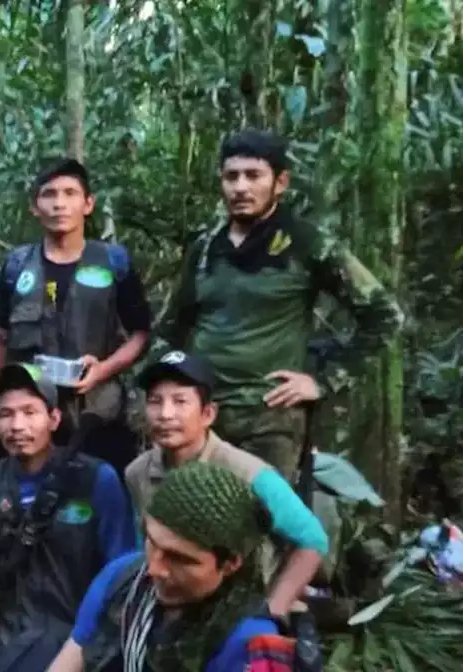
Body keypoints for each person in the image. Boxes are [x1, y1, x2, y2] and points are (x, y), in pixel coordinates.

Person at [156, 129, 403, 478]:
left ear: (280, 181)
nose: (240, 187)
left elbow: (384, 317)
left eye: (253, 175)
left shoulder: (307, 243)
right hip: (204, 416)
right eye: (231, 177)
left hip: (270, 418)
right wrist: (165, 398)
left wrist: (323, 381)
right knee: (194, 521)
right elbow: (171, 329)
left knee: (263, 523)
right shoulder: (205, 248)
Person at [0, 363, 136, 672]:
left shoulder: (97, 479)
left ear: (54, 419)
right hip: (3, 635)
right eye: (5, 414)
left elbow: (121, 571)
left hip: (75, 636)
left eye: (29, 412)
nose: (16, 425)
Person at [0, 158, 152, 475]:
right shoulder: (17, 266)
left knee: (98, 500)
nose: (59, 204)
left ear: (88, 204)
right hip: (29, 416)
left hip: (98, 414)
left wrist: (103, 369)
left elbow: (140, 334)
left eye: (70, 193)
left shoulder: (113, 262)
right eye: (49, 194)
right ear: (34, 206)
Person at [125, 350, 328, 618]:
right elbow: (146, 546)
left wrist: (274, 607)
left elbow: (313, 540)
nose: (165, 414)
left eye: (180, 401)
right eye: (155, 401)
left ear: (208, 413)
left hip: (237, 608)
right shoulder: (138, 472)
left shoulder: (247, 473)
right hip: (169, 601)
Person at [47, 462, 281, 672]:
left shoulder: (250, 642)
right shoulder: (122, 578)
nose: (153, 569)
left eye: (178, 558)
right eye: (151, 542)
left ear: (229, 564)